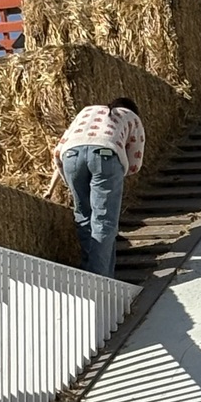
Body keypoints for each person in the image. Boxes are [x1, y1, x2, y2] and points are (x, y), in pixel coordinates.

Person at [53, 98, 145, 277]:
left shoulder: (86, 111)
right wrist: (116, 174)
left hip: (70, 155)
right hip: (105, 155)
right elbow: (135, 162)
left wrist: (67, 178)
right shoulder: (132, 117)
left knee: (83, 216)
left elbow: (58, 151)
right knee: (103, 220)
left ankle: (90, 272)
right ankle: (99, 278)